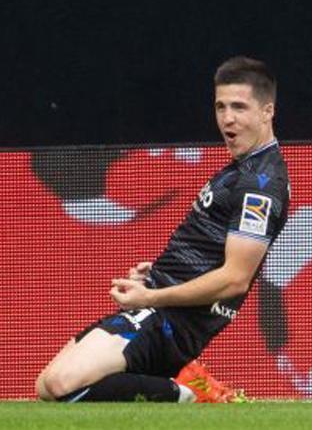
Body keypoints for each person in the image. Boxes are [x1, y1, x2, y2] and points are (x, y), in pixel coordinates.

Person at [36, 56, 290, 403]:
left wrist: (151, 297)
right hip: (157, 307)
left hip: (172, 323)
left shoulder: (260, 185)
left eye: (239, 107)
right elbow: (205, 251)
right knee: (46, 388)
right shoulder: (239, 170)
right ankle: (187, 381)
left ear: (267, 111)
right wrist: (155, 275)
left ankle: (193, 395)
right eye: (220, 106)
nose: (227, 118)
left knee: (62, 384)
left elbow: (235, 278)